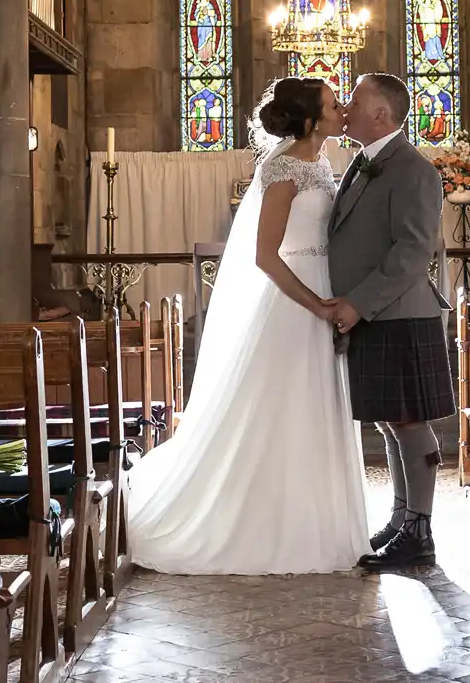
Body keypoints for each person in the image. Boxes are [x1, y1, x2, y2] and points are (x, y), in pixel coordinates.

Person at [123, 77, 370, 575]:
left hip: (322, 287)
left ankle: (313, 520)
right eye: (331, 103)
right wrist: (315, 304)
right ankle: (267, 525)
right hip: (291, 299)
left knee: (314, 402)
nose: (341, 108)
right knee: (281, 406)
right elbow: (264, 256)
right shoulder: (282, 169)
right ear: (309, 119)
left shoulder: (321, 162)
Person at [324, 71, 451, 570]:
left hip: (398, 311)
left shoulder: (414, 169)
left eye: (355, 100)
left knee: (407, 419)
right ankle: (401, 518)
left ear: (381, 114)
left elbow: (414, 250)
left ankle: (420, 529)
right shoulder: (363, 162)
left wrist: (358, 302)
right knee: (389, 419)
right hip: (375, 312)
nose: (347, 108)